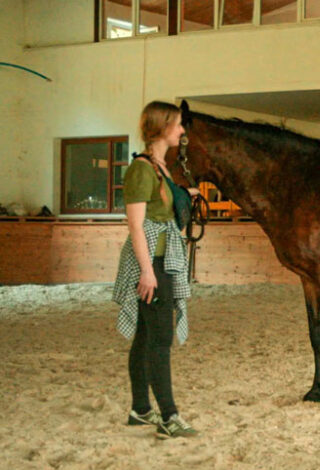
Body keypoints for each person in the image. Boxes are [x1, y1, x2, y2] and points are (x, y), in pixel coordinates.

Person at [112, 101, 199, 439]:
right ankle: (169, 416)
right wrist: (147, 272)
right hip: (150, 263)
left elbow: (161, 204)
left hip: (163, 260)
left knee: (146, 336)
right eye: (177, 124)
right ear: (162, 127)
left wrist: (186, 194)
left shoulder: (160, 167)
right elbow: (136, 225)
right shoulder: (141, 169)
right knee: (161, 338)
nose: (181, 130)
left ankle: (140, 409)